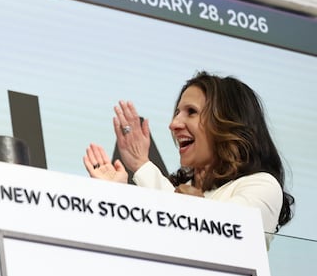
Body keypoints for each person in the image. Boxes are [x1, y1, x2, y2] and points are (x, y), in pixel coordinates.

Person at [83, 71, 294, 238]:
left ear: (228, 123)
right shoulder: (179, 188)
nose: (173, 124)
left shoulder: (262, 186)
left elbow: (213, 236)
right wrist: (115, 195)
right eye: (177, 113)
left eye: (191, 112)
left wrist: (142, 165)